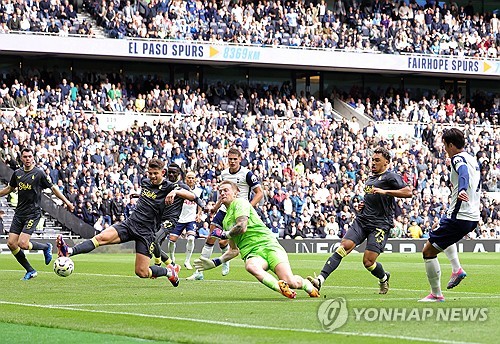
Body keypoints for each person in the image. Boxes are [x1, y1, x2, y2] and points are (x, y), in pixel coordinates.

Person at [56, 158, 195, 286]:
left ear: (163, 172)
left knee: (142, 272)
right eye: (150, 173)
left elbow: (192, 196)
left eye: (155, 173)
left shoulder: (170, 187)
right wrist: (138, 195)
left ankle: (169, 272)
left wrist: (175, 193)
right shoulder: (146, 182)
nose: (152, 176)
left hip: (146, 233)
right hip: (130, 223)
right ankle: (68, 251)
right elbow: (151, 196)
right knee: (100, 238)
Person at [307, 146, 412, 294]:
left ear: (386, 163)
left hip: (380, 225)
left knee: (368, 262)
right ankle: (320, 280)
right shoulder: (370, 179)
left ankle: (383, 277)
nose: (373, 163)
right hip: (362, 220)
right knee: (343, 246)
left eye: (377, 160)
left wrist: (385, 192)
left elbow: (408, 192)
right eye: (372, 160)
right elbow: (372, 198)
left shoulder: (391, 177)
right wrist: (362, 205)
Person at [194, 180, 319, 299]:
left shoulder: (240, 202)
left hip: (269, 246)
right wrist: (216, 262)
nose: (222, 193)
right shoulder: (226, 221)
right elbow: (233, 250)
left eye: (226, 190)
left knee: (291, 281)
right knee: (251, 266)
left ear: (235, 192)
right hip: (252, 254)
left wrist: (224, 235)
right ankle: (282, 289)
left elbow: (241, 226)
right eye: (220, 192)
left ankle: (307, 285)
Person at [419, 128, 480, 302]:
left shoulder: (457, 159)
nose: (444, 148)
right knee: (442, 236)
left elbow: (463, 173)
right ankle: (456, 269)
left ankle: (436, 294)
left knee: (428, 251)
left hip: (459, 215)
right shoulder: (471, 158)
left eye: (445, 145)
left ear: (451, 145)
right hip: (471, 216)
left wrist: (461, 189)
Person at [187, 148, 263, 280]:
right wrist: (215, 207)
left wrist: (246, 208)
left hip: (238, 212)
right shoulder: (224, 174)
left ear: (240, 159)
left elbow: (259, 193)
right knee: (211, 237)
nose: (232, 161)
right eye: (230, 159)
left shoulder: (247, 174)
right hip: (224, 210)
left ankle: (225, 262)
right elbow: (222, 195)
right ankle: (199, 272)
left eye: (235, 159)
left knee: (223, 242)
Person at [0, 147, 75, 280]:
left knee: (22, 243)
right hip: (19, 213)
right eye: (25, 157)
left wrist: (67, 202)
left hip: (33, 213)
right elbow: (10, 188)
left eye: (30, 156)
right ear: (21, 158)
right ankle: (30, 270)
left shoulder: (39, 173)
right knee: (11, 244)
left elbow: (53, 188)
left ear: (33, 157)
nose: (28, 159)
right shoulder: (17, 173)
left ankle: (46, 247)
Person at [154, 165, 204, 270]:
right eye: (170, 173)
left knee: (190, 239)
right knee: (165, 241)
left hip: (185, 219)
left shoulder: (187, 188)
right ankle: (172, 262)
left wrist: (200, 212)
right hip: (175, 218)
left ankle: (186, 261)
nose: (171, 175)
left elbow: (196, 199)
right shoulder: (166, 185)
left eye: (192, 178)